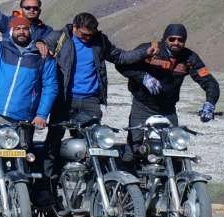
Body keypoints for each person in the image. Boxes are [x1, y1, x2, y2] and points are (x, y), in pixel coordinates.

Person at [36, 13, 148, 167]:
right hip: (64, 99)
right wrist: (39, 43)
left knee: (92, 144)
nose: (87, 38)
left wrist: (144, 52)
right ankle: (48, 183)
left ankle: (90, 183)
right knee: (54, 141)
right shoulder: (60, 37)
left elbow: (120, 56)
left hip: (91, 101)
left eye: (90, 34)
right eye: (83, 34)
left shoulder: (100, 41)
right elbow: (38, 46)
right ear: (74, 27)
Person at [0, 1, 58, 156]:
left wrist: (41, 114)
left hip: (20, 120)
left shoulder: (43, 56)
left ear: (31, 32)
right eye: (18, 29)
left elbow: (50, 86)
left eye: (25, 29)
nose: (22, 32)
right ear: (12, 31)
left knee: (19, 159)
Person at [115, 23, 221, 131]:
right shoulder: (150, 49)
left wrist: (210, 103)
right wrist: (143, 77)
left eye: (180, 40)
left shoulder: (190, 58)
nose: (176, 42)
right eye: (172, 39)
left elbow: (210, 82)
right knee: (136, 142)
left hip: (168, 110)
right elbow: (121, 64)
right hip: (143, 107)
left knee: (173, 144)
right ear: (165, 39)